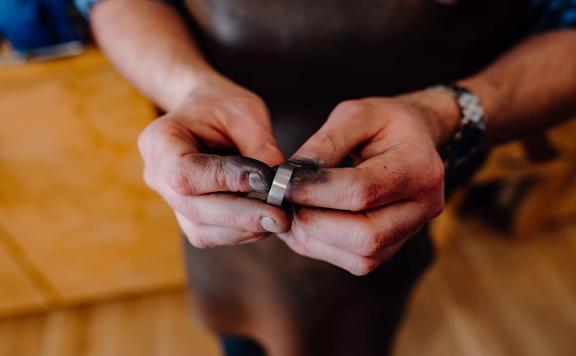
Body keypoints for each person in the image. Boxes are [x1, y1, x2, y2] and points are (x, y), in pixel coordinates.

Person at [84, 0, 576, 355]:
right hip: (220, 174)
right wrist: (187, 88)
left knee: (360, 322)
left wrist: (446, 112)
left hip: (409, 171)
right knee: (242, 330)